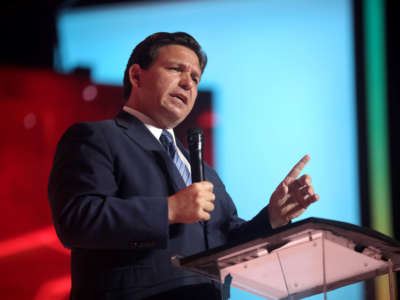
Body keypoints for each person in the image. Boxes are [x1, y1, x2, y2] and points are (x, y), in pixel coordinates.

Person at [48, 32, 319, 300]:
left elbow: (225, 243)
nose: (188, 84)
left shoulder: (202, 168)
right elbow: (77, 219)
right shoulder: (98, 138)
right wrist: (171, 210)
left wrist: (273, 217)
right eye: (176, 69)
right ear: (136, 75)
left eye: (195, 78)